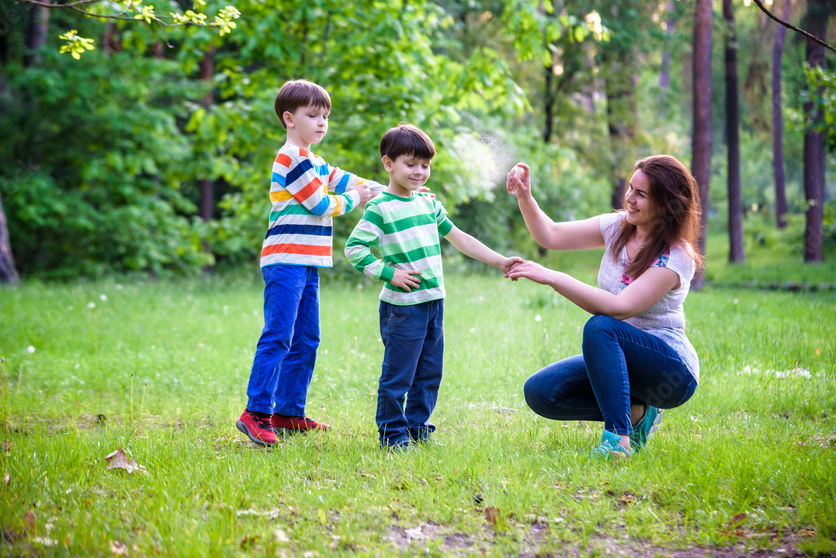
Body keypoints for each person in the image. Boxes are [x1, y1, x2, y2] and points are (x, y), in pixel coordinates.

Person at [503, 155, 702, 458]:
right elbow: (550, 234)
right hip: (620, 358)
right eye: (630, 188)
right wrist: (525, 196)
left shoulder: (676, 256)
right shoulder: (617, 227)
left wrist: (553, 278)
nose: (629, 199)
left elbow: (620, 308)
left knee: (602, 326)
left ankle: (617, 440)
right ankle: (637, 412)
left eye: (641, 194)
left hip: (671, 372)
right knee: (542, 392)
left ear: (666, 204)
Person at [345, 123, 522, 451]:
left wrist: (499, 261)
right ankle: (393, 435)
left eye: (425, 165)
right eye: (410, 164)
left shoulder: (428, 205)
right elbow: (354, 249)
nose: (419, 171)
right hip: (402, 307)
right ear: (389, 164)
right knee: (399, 376)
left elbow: (462, 239)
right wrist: (388, 273)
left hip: (433, 302)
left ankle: (416, 427)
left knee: (428, 372)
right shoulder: (380, 207)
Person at [236, 79, 380, 447]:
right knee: (279, 335)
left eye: (325, 116)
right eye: (313, 115)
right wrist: (355, 199)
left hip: (307, 262)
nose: (321, 123)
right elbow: (321, 204)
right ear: (289, 119)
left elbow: (351, 180)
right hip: (284, 261)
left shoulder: (314, 161)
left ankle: (288, 412)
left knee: (306, 339)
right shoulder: (292, 158)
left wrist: (397, 188)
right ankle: (255, 413)